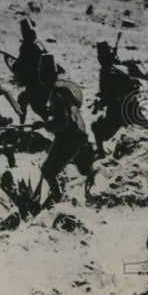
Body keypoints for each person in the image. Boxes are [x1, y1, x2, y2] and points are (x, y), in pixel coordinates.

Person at [31, 54, 96, 206]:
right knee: (49, 170)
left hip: (69, 139)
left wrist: (44, 125)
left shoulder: (56, 95)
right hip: (76, 137)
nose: (41, 78)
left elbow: (62, 121)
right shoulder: (62, 91)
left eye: (42, 74)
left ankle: (57, 199)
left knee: (48, 172)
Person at [90, 40, 148, 158]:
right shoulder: (121, 67)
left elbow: (106, 95)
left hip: (117, 111)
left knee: (97, 129)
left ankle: (100, 153)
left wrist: (99, 104)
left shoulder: (105, 71)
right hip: (131, 105)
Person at [9, 18, 52, 123]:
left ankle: (22, 126)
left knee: (24, 101)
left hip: (35, 83)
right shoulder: (39, 44)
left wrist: (13, 66)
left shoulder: (26, 45)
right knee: (37, 107)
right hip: (45, 82)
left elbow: (20, 63)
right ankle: (50, 123)